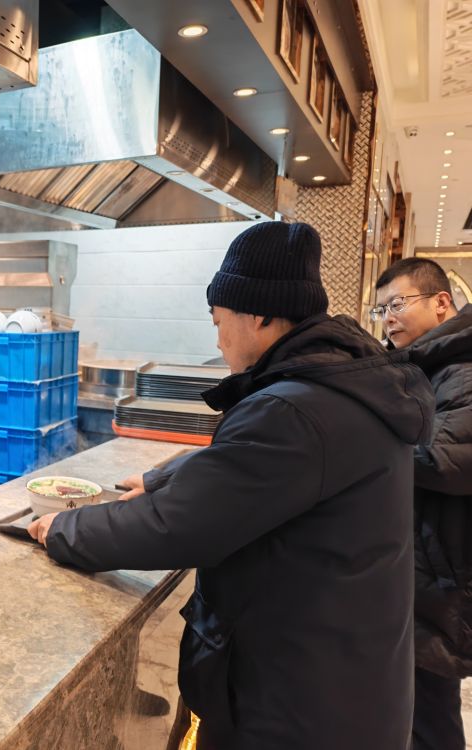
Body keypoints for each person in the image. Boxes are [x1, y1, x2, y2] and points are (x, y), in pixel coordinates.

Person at [28, 221, 435, 749]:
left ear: (260, 314)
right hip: (343, 681)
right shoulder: (340, 382)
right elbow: (250, 470)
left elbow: (178, 526)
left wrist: (63, 527)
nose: (216, 337)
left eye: (219, 320)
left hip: (300, 709)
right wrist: (160, 477)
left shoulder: (294, 409)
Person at [373, 258, 472, 750]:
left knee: (430, 716)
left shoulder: (463, 367)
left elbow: (444, 459)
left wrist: (362, 441)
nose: (388, 318)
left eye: (397, 304)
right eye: (381, 309)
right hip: (426, 567)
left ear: (440, 303)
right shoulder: (428, 368)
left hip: (445, 574)